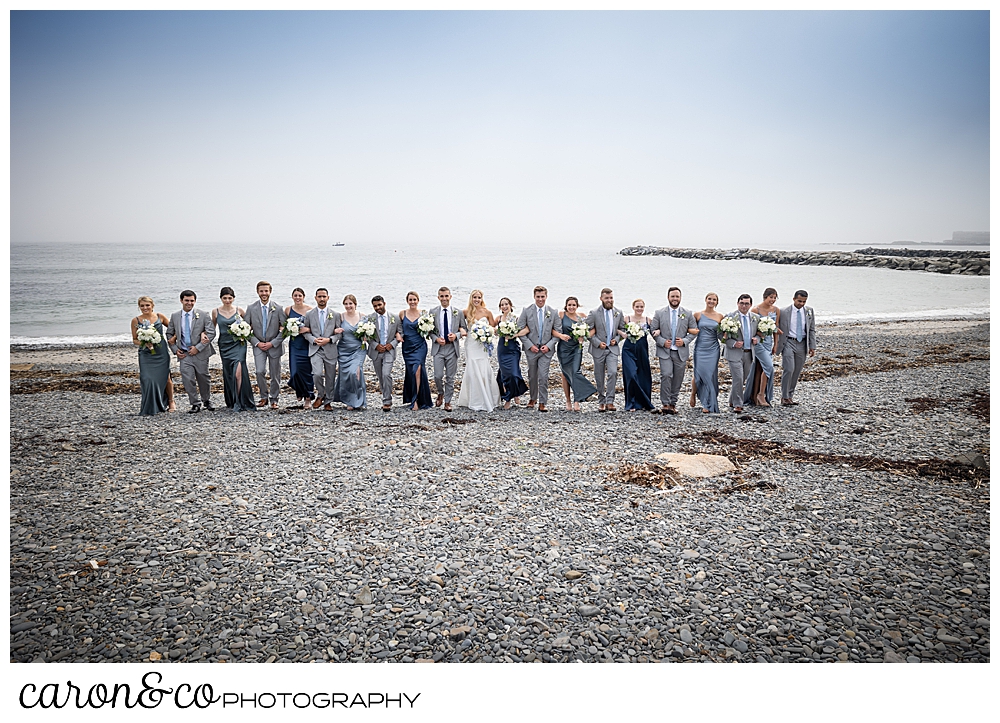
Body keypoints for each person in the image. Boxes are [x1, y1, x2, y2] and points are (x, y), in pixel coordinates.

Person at [649, 287, 698, 414]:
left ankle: (672, 403)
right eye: (673, 296)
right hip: (665, 351)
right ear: (668, 297)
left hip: (680, 351)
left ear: (680, 298)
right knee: (666, 375)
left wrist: (685, 341)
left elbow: (694, 331)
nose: (675, 299)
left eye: (677, 296)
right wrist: (662, 342)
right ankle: (665, 403)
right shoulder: (659, 313)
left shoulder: (687, 313)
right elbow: (653, 330)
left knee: (678, 378)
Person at [166, 289, 216, 414]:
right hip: (184, 353)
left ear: (195, 301)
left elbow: (211, 332)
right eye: (187, 300)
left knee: (203, 377)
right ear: (181, 301)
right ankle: (195, 403)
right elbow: (169, 333)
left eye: (192, 301)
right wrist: (175, 350)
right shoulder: (175, 316)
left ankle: (206, 400)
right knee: (188, 379)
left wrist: (197, 348)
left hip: (200, 352)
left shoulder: (203, 314)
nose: (189, 303)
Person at [245, 280, 287, 409]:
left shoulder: (278, 308)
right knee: (259, 371)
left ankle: (274, 399)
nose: (264, 293)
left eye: (266, 291)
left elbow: (286, 329)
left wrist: (273, 343)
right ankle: (263, 397)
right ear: (257, 292)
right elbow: (244, 329)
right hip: (259, 346)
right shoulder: (251, 308)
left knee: (275, 374)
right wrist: (256, 343)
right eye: (261, 291)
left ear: (270, 291)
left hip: (274, 346)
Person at [515, 286, 558, 412]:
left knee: (543, 376)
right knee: (532, 375)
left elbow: (557, 333)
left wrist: (549, 346)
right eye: (538, 297)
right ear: (534, 297)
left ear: (546, 296)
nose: (540, 299)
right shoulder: (526, 311)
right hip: (531, 349)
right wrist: (530, 345)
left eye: (542, 296)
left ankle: (543, 402)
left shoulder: (553, 312)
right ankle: (533, 398)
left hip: (546, 350)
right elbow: (520, 331)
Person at [457, 290, 501, 411]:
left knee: (483, 368)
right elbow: (459, 324)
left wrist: (490, 332)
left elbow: (493, 328)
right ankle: (473, 399)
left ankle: (487, 397)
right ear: (471, 299)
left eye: (479, 297)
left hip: (482, 345)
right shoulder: (466, 312)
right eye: (474, 297)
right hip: (471, 344)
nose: (476, 299)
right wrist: (461, 329)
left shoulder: (487, 312)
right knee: (472, 368)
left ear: (482, 298)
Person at [212, 287, 255, 412]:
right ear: (221, 298)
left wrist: (243, 333)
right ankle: (231, 399)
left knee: (238, 371)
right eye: (225, 298)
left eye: (230, 298)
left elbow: (248, 325)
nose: (227, 300)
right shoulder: (215, 312)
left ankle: (240, 401)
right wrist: (204, 337)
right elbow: (211, 329)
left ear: (233, 298)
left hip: (238, 344)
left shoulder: (239, 310)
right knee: (229, 372)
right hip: (224, 345)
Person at [132, 296, 175, 416]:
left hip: (161, 352)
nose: (145, 308)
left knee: (166, 378)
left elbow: (174, 328)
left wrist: (173, 339)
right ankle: (150, 404)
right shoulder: (136, 320)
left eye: (147, 305)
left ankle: (171, 402)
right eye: (142, 306)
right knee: (147, 378)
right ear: (139, 307)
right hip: (145, 354)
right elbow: (135, 339)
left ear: (152, 305)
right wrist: (144, 342)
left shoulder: (160, 317)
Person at [553, 296, 597, 411]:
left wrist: (584, 337)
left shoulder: (582, 316)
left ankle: (577, 400)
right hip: (564, 348)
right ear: (566, 306)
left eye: (573, 305)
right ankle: (568, 400)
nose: (571, 307)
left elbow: (593, 329)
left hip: (577, 347)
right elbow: (552, 329)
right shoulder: (561, 315)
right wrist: (561, 336)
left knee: (575, 371)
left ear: (577, 306)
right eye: (569, 305)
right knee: (565, 374)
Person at [586, 288, 625, 412]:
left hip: (612, 349)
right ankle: (601, 401)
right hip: (598, 349)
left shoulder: (618, 312)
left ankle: (610, 401)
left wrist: (617, 340)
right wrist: (597, 343)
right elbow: (587, 331)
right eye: (607, 298)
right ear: (601, 299)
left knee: (613, 373)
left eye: (611, 298)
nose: (609, 300)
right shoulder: (594, 313)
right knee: (599, 376)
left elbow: (622, 330)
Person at [775, 289, 817, 406]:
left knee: (797, 370)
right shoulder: (784, 311)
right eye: (799, 301)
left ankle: (790, 396)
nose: (801, 304)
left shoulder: (809, 311)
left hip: (802, 343)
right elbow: (776, 326)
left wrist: (812, 346)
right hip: (788, 342)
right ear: (794, 299)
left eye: (804, 301)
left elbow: (812, 329)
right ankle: (784, 396)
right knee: (789, 369)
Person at [302, 288, 341, 411]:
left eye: (324, 296)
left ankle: (328, 401)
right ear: (315, 298)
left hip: (330, 348)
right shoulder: (309, 314)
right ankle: (321, 393)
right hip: (315, 349)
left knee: (330, 376)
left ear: (328, 298)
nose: (322, 299)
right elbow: (305, 332)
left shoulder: (335, 315)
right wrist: (313, 339)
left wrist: (329, 340)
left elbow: (339, 334)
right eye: (319, 296)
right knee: (317, 374)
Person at [429, 286, 467, 412]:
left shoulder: (458, 312)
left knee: (450, 377)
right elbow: (429, 331)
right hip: (438, 348)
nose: (444, 298)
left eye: (446, 296)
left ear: (450, 297)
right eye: (442, 296)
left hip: (452, 348)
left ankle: (448, 401)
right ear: (438, 297)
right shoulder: (433, 312)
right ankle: (440, 392)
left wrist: (456, 335)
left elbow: (464, 329)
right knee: (438, 375)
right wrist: (436, 339)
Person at [723, 294, 760, 413]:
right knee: (738, 377)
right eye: (742, 303)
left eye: (747, 304)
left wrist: (757, 339)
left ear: (750, 305)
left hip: (749, 353)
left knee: (742, 378)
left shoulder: (755, 317)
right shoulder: (730, 317)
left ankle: (731, 399)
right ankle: (738, 404)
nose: (744, 306)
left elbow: (760, 333)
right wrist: (733, 343)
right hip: (734, 352)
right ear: (738, 303)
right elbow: (721, 335)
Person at [745, 288, 781, 408]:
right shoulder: (756, 309)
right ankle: (760, 395)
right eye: (771, 297)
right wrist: (759, 335)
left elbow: (775, 328)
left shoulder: (776, 310)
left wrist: (776, 344)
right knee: (769, 367)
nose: (773, 300)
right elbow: (751, 327)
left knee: (763, 368)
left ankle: (757, 395)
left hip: (769, 342)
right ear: (765, 297)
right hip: (758, 343)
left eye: (775, 297)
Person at [367, 295, 401, 412]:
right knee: (380, 376)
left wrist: (392, 344)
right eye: (375, 306)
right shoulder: (370, 319)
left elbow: (400, 334)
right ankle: (385, 395)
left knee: (386, 374)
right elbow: (366, 335)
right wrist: (376, 345)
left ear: (384, 304)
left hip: (389, 350)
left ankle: (387, 400)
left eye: (379, 305)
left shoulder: (395, 318)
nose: (377, 308)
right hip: (376, 351)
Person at [691, 292, 723, 413]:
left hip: (713, 348)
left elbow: (721, 335)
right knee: (699, 375)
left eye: (714, 299)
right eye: (709, 299)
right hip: (700, 348)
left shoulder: (720, 317)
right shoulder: (697, 315)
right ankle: (693, 393)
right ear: (705, 300)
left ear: (717, 302)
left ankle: (708, 403)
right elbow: (690, 329)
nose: (711, 301)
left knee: (710, 375)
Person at [399, 291, 432, 410]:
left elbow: (429, 330)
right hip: (407, 347)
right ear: (407, 301)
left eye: (414, 299)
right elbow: (399, 329)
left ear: (418, 300)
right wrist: (398, 335)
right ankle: (413, 397)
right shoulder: (402, 314)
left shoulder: (423, 313)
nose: (412, 302)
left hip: (420, 346)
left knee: (417, 369)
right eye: (410, 300)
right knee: (410, 372)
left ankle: (416, 400)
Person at [333, 294, 367, 411]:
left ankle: (358, 399)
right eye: (346, 304)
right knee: (346, 375)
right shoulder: (340, 316)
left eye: (350, 304)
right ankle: (349, 400)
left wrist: (366, 336)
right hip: (344, 350)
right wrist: (335, 330)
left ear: (355, 304)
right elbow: (333, 329)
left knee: (355, 372)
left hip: (358, 349)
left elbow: (370, 332)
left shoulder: (362, 316)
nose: (348, 306)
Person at [495, 297, 528, 410]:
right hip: (502, 349)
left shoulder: (516, 318)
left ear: (510, 305)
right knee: (505, 374)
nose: (504, 306)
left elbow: (526, 329)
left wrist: (515, 334)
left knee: (514, 373)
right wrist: (495, 331)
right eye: (502, 305)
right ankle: (508, 398)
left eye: (506, 304)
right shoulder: (498, 318)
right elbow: (491, 328)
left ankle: (515, 393)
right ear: (500, 307)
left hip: (513, 348)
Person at [284, 287, 315, 409]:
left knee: (306, 371)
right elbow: (283, 326)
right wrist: (290, 329)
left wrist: (307, 329)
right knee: (295, 371)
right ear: (292, 297)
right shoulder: (287, 310)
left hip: (306, 344)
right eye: (295, 295)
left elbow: (316, 326)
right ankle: (299, 390)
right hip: (294, 344)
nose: (297, 298)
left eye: (300, 296)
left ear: (303, 297)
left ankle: (308, 398)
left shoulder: (310, 310)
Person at [621, 299, 654, 411]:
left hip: (642, 349)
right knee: (630, 375)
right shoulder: (627, 319)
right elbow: (617, 329)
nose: (639, 309)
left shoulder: (648, 320)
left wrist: (657, 332)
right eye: (637, 307)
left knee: (643, 375)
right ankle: (631, 403)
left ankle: (643, 402)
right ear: (633, 307)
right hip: (628, 349)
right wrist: (622, 334)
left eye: (641, 307)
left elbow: (655, 331)